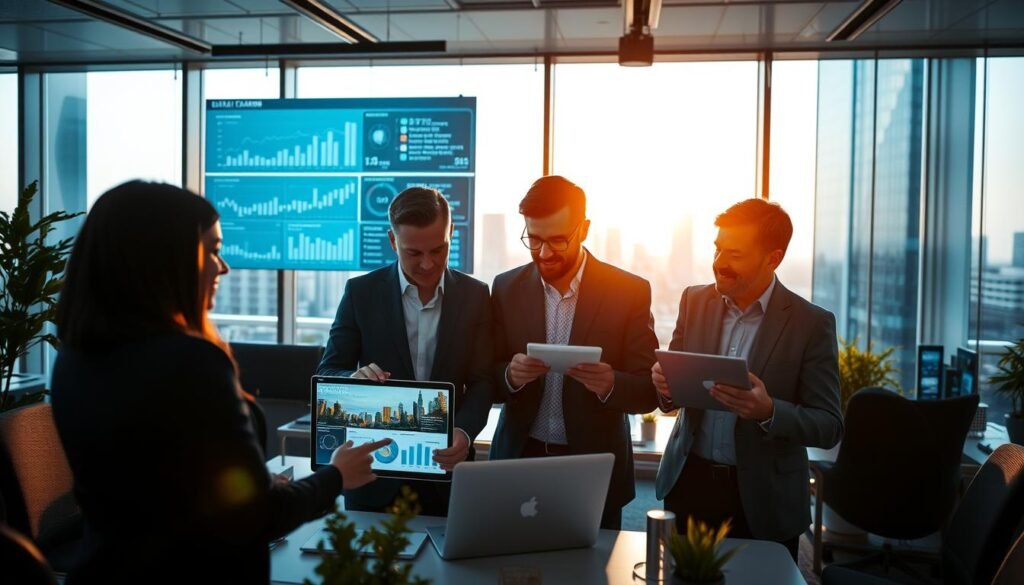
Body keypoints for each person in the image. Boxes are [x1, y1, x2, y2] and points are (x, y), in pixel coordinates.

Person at [49, 181, 388, 584]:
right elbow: (254, 516)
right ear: (164, 258)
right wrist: (336, 476)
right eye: (211, 249)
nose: (223, 267)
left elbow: (166, 487)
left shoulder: (73, 360)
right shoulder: (191, 363)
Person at [653, 198, 843, 561]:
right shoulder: (693, 301)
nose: (719, 263)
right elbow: (670, 396)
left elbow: (829, 425)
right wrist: (665, 387)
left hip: (762, 499)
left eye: (735, 254)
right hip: (688, 483)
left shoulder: (811, 324)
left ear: (773, 258)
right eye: (718, 249)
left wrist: (768, 411)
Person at [489, 175, 659, 530]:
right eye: (533, 239)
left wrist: (611, 383)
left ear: (583, 229)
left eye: (556, 240)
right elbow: (484, 373)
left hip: (593, 466)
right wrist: (509, 375)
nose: (544, 253)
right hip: (519, 459)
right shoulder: (506, 288)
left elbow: (648, 390)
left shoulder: (628, 292)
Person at [317, 186, 494, 516]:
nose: (428, 264)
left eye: (438, 250)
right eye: (414, 253)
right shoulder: (361, 293)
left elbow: (482, 381)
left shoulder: (476, 296)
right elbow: (328, 372)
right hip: (374, 478)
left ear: (451, 233)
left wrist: (464, 431)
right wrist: (353, 379)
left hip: (446, 478)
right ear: (392, 241)